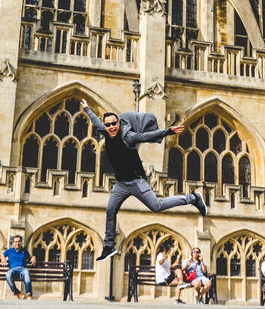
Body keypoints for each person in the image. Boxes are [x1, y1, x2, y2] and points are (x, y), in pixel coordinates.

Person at [81, 99, 207, 262]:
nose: (111, 127)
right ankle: (109, 246)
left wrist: (167, 131)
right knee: (110, 211)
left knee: (157, 206)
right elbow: (97, 122)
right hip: (121, 184)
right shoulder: (105, 130)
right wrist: (87, 109)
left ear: (118, 123)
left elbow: (145, 136)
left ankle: (193, 198)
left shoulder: (128, 136)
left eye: (114, 124)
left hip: (137, 181)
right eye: (108, 125)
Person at [1, 234, 37, 300]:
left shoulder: (24, 251)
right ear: (13, 243)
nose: (17, 243)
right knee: (8, 276)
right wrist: (3, 258)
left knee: (27, 274)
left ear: (21, 242)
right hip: (13, 270)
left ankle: (29, 294)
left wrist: (33, 257)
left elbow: (30, 258)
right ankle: (18, 293)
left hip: (23, 269)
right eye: (16, 241)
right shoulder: (9, 251)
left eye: (19, 241)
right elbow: (0, 255)